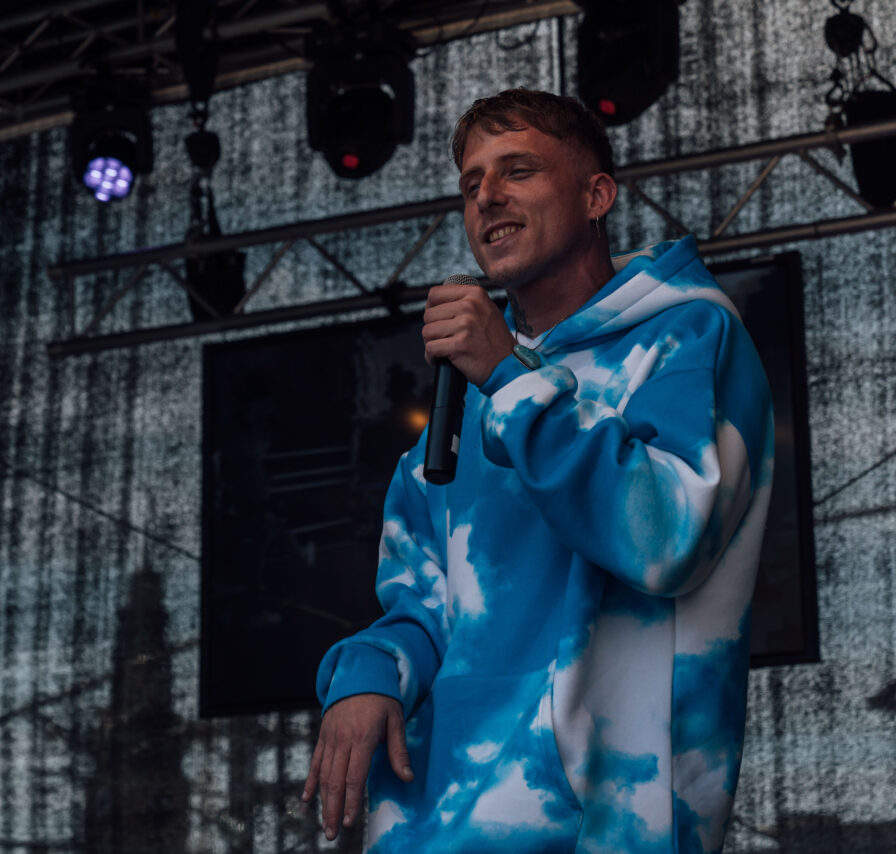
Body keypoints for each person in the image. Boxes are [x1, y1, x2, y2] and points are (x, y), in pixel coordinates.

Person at [301, 88, 773, 854]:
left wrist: (512, 382)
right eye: (471, 184)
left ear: (596, 196)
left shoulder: (690, 337)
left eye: (517, 170)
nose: (486, 196)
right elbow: (424, 608)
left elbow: (668, 541)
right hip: (438, 824)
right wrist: (368, 674)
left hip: (611, 823)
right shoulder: (462, 406)